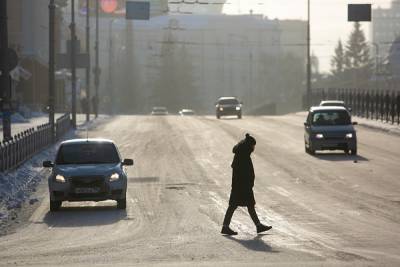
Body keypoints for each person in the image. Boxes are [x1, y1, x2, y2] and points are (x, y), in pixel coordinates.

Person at [221, 133, 272, 235]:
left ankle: (258, 226)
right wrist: (247, 184)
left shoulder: (242, 153)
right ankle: (225, 227)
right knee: (234, 205)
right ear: (249, 145)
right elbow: (241, 171)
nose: (253, 148)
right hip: (241, 186)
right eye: (253, 146)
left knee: (248, 205)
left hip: (241, 185)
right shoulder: (242, 155)